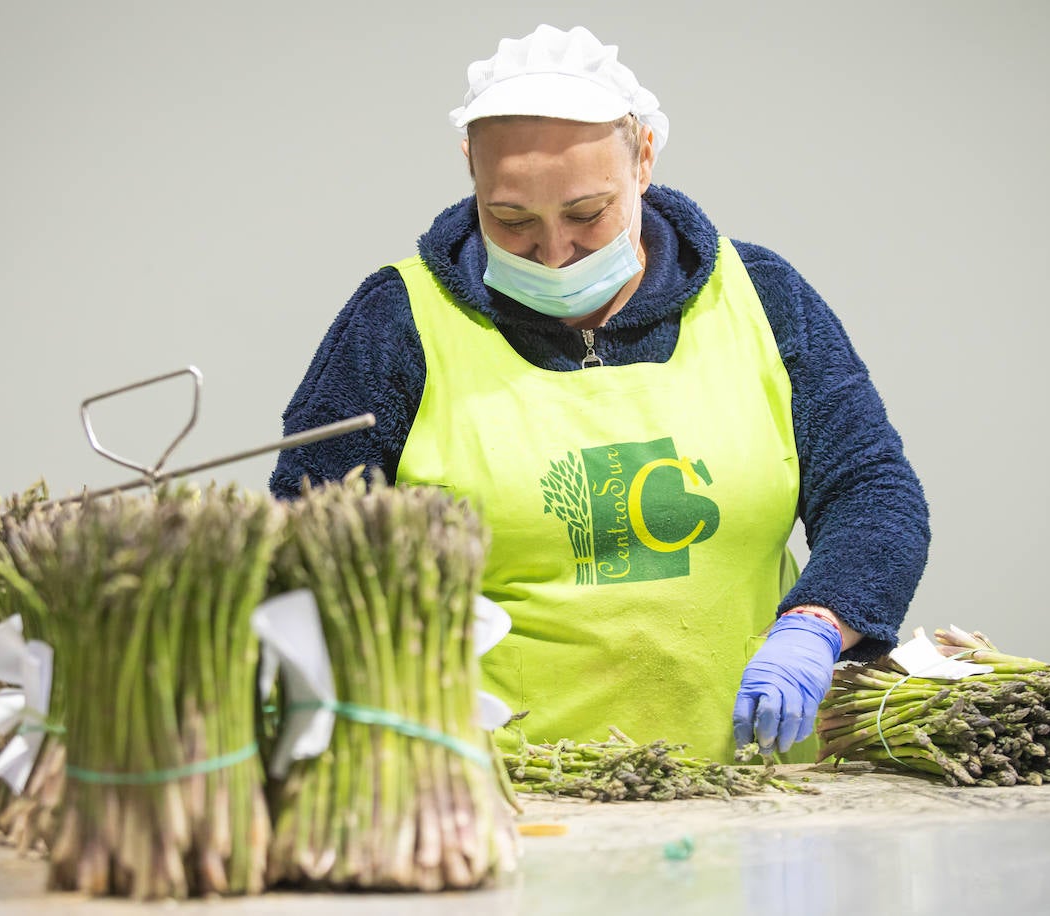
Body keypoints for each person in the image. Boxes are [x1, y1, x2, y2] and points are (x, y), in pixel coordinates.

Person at [269, 24, 929, 763]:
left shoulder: (761, 297)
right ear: (471, 173)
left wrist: (816, 625)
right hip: (503, 793)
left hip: (749, 787)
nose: (554, 253)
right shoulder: (397, 321)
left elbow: (872, 491)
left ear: (644, 158)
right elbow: (306, 535)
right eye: (510, 220)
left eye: (588, 214)